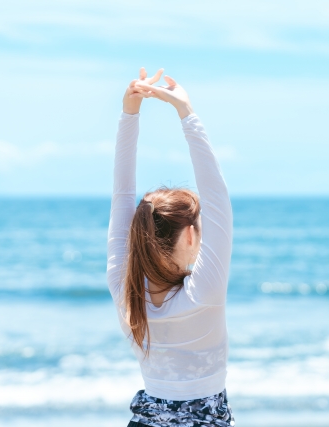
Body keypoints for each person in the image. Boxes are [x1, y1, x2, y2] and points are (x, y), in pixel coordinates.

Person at [107, 67, 235, 427]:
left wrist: (129, 114)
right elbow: (218, 196)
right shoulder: (204, 293)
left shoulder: (125, 290)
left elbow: (121, 197)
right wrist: (186, 112)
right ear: (193, 235)